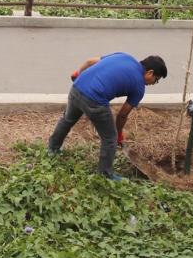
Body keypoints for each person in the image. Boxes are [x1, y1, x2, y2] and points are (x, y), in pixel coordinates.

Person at [48, 53, 168, 181]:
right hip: (95, 100)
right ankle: (105, 176)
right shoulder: (139, 87)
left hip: (77, 87)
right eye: (156, 80)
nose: (153, 83)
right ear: (150, 73)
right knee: (110, 138)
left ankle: (53, 149)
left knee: (67, 119)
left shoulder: (124, 56)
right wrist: (118, 134)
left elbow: (89, 62)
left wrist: (79, 75)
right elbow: (122, 115)